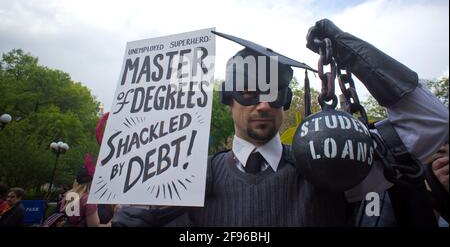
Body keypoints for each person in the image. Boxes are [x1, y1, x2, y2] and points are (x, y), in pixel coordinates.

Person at [113, 19, 448, 226]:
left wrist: (351, 52)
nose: (261, 104)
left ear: (284, 100)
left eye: (273, 93)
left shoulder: (327, 165)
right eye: (248, 93)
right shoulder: (188, 177)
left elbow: (430, 124)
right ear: (228, 99)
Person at [59, 156, 111, 227]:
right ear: (91, 182)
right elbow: (94, 225)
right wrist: (111, 223)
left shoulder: (67, 195)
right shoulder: (87, 199)